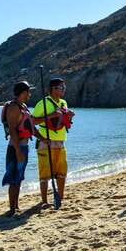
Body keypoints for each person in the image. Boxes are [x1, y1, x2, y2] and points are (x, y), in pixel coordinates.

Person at [32, 78, 74, 207]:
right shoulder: (43, 103)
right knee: (45, 174)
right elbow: (32, 122)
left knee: (62, 172)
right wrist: (51, 116)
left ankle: (60, 197)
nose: (64, 90)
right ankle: (44, 201)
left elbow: (63, 120)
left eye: (64, 87)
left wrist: (69, 115)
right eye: (61, 87)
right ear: (53, 89)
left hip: (61, 142)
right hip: (46, 142)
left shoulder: (63, 102)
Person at [1, 81, 40, 217]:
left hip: (23, 146)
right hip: (15, 148)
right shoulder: (13, 107)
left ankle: (16, 206)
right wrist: (18, 151)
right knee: (13, 178)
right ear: (23, 92)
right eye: (29, 92)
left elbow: (31, 126)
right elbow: (12, 130)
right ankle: (12, 209)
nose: (30, 94)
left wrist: (43, 138)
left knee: (19, 178)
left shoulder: (23, 107)